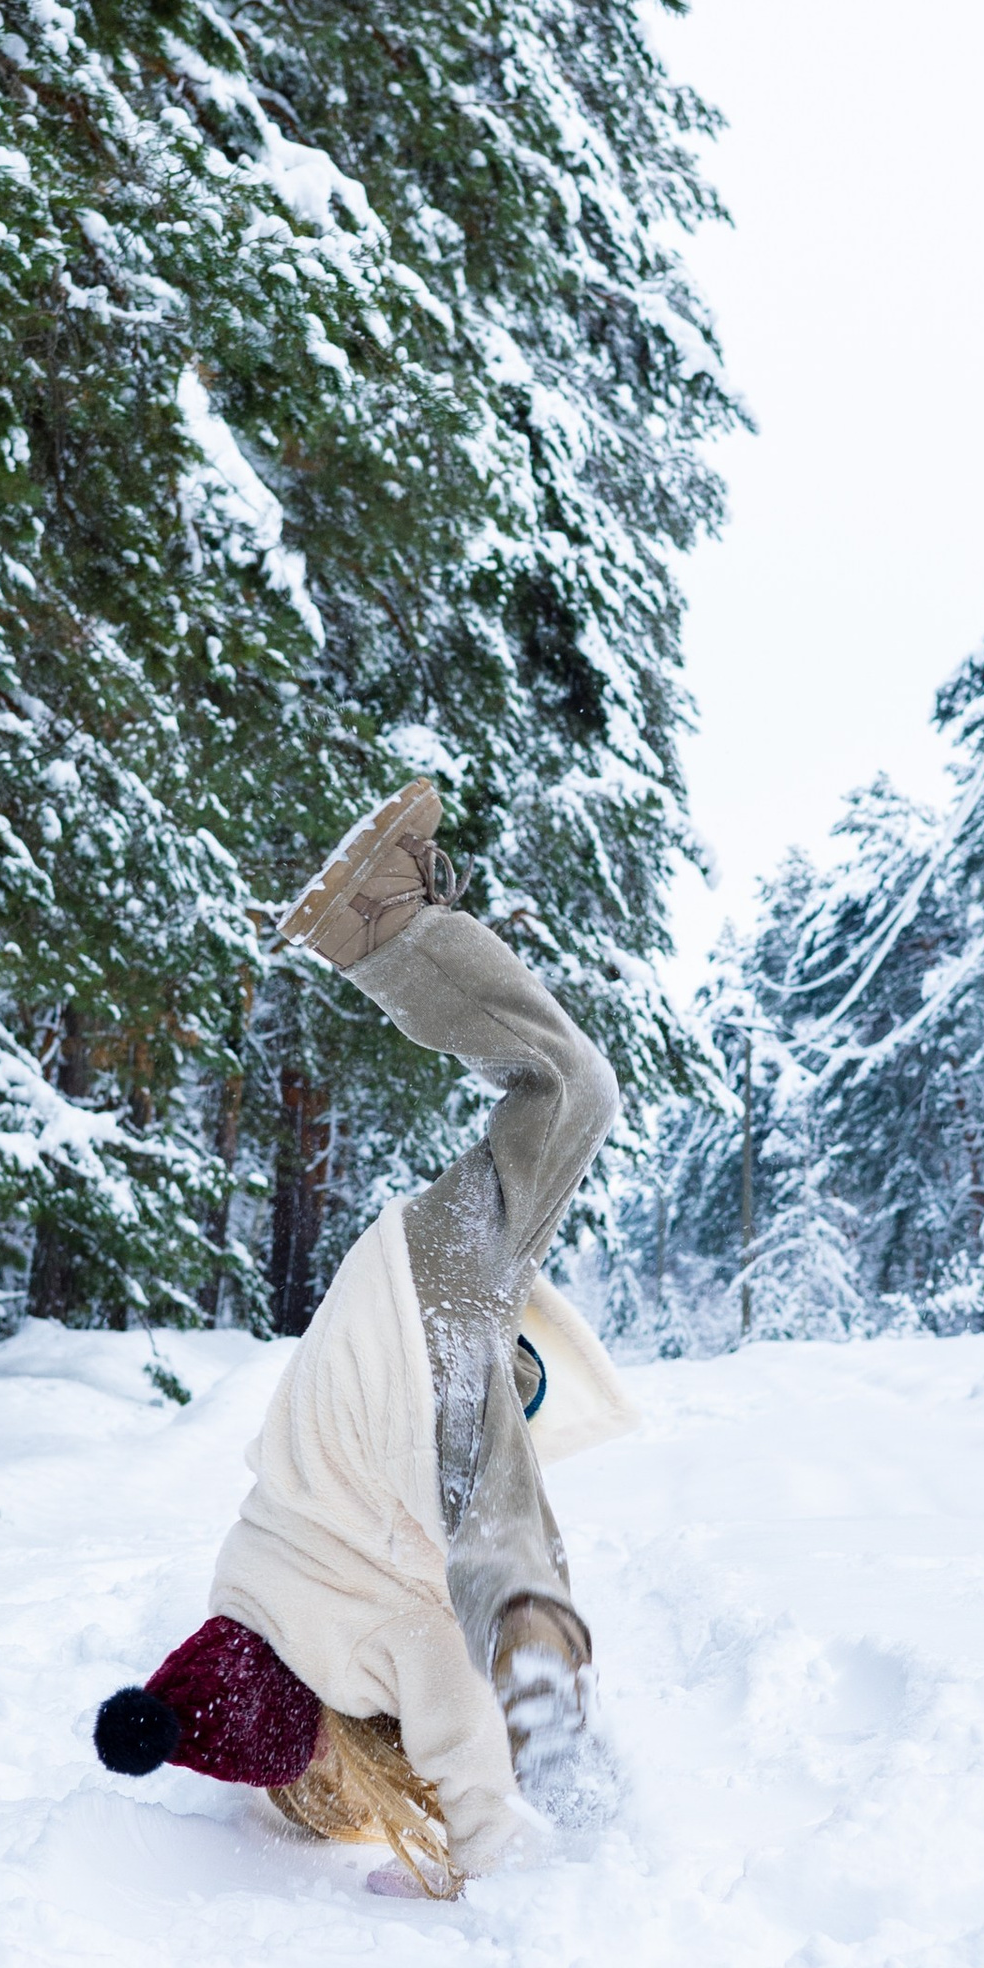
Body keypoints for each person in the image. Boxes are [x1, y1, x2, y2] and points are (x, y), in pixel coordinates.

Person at [93, 777, 634, 1896]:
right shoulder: (246, 1584)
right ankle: (384, 917)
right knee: (566, 1093)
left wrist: (477, 1855)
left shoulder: (378, 1645)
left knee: (506, 1568)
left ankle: (553, 1697)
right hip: (386, 1308)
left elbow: (460, 1755)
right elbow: (221, 1687)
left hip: (421, 1356)